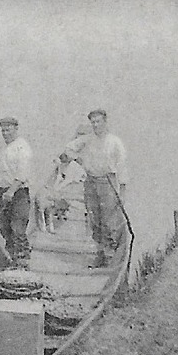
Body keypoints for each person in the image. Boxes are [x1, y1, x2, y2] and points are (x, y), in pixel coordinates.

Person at [60, 109, 128, 267]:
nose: (96, 125)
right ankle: (99, 252)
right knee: (94, 218)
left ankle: (110, 254)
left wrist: (122, 191)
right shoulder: (87, 139)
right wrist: (78, 159)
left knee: (109, 218)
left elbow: (122, 167)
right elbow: (69, 149)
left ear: (105, 122)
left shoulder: (114, 142)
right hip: (90, 181)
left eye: (98, 121)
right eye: (93, 122)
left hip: (108, 183)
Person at [0, 116, 33, 267]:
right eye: (3, 130)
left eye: (8, 130)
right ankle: (12, 256)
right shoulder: (2, 146)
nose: (5, 133)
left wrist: (11, 191)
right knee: (4, 226)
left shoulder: (22, 147)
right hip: (3, 191)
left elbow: (22, 174)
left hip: (18, 192)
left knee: (18, 227)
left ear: (16, 129)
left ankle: (22, 261)